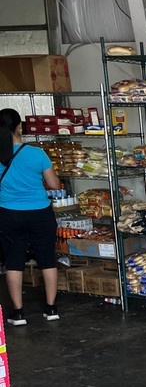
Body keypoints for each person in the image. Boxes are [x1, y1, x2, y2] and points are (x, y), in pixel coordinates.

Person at [0, 108, 61, 325]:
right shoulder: (37, 154)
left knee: (14, 262)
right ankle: (51, 309)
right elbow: (54, 185)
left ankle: (18, 313)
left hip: (8, 214)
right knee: (47, 259)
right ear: (19, 127)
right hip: (40, 214)